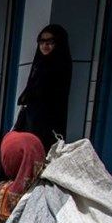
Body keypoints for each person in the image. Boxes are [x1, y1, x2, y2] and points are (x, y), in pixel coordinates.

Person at [14, 24, 72, 152]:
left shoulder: (60, 67)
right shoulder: (39, 64)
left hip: (48, 126)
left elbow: (53, 99)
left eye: (50, 42)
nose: (45, 46)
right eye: (41, 41)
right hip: (31, 122)